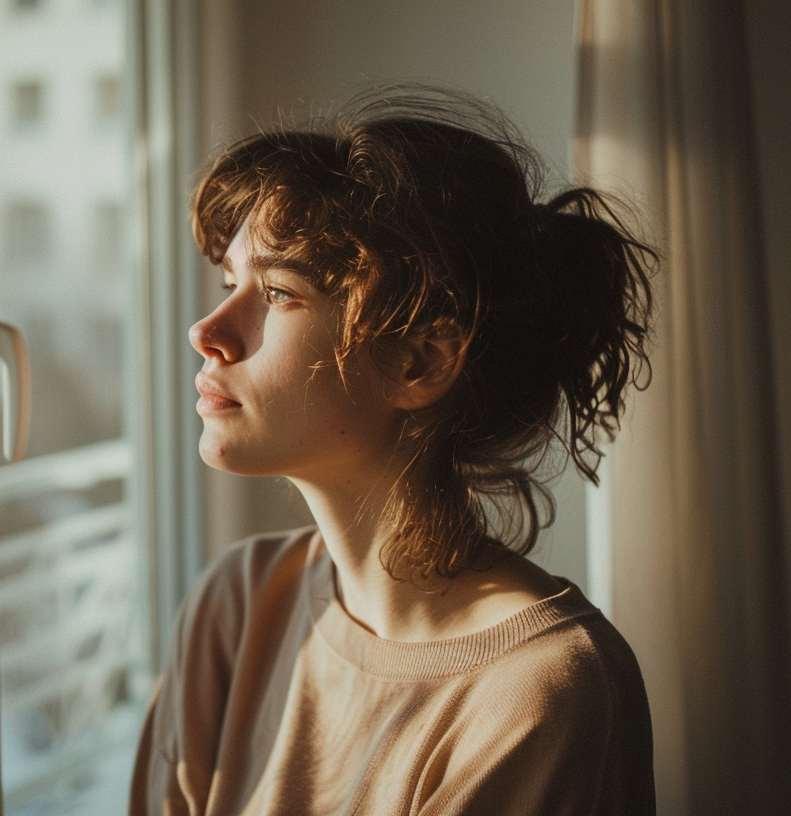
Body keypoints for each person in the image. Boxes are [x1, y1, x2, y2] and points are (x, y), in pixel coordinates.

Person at [130, 87, 657, 815]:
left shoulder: (539, 693)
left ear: (420, 362)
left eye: (279, 293)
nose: (208, 329)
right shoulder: (237, 605)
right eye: (229, 283)